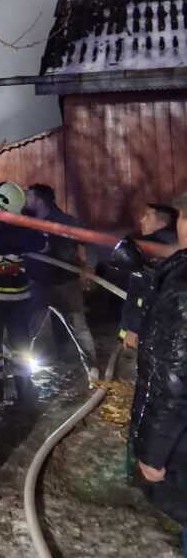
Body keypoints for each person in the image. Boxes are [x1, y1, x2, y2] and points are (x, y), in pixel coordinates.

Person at [116, 194, 187, 556]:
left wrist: (152, 454)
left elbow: (174, 382)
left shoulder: (182, 286)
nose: (141, 222)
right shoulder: (170, 266)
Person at [0, 182, 45, 404]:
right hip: (17, 295)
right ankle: (23, 388)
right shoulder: (23, 228)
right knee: (20, 343)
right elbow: (41, 243)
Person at [23, 184, 99, 381]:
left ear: (39, 200)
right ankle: (20, 373)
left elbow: (88, 242)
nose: (25, 200)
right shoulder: (27, 221)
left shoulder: (67, 222)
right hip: (37, 284)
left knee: (79, 329)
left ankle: (93, 372)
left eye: (29, 197)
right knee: (27, 329)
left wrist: (89, 267)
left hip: (65, 285)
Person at [117, 203, 177, 350]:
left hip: (151, 330)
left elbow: (145, 294)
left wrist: (133, 329)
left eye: (148, 216)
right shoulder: (173, 246)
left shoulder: (152, 251)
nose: (142, 219)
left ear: (161, 224)